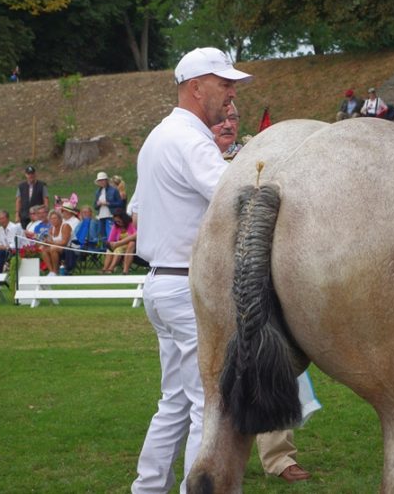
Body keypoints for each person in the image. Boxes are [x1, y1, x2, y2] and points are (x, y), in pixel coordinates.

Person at [131, 46, 309, 493]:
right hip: (186, 288)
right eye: (223, 84)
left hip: (162, 284)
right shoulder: (189, 140)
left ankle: (147, 488)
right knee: (205, 408)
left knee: (174, 402)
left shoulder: (161, 135)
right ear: (195, 88)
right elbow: (233, 195)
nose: (231, 94)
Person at [210, 103, 313, 484]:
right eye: (221, 121)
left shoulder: (250, 161)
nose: (228, 126)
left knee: (270, 351)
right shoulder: (205, 160)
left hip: (255, 273)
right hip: (211, 273)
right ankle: (215, 453)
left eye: (233, 120)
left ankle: (278, 455)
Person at [102, 209, 137, 275]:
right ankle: (104, 269)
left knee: (118, 249)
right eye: (116, 221)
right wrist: (110, 244)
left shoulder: (131, 224)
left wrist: (118, 243)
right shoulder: (115, 226)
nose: (117, 223)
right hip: (118, 244)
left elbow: (134, 237)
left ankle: (111, 268)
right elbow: (111, 239)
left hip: (129, 245)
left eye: (119, 221)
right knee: (109, 250)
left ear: (124, 219)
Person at [39, 209, 73, 276]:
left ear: (60, 218)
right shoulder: (52, 229)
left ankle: (55, 271)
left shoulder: (65, 226)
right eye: (51, 219)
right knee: (42, 249)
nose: (53, 220)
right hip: (58, 247)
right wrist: (45, 242)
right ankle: (51, 271)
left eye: (55, 218)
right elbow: (50, 241)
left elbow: (64, 242)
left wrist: (50, 243)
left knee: (53, 248)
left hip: (69, 248)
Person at [15, 165, 49, 229]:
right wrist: (17, 214)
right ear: (26, 175)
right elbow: (18, 200)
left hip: (38, 215)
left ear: (35, 174)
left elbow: (46, 199)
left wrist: (46, 213)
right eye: (29, 174)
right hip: (24, 215)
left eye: (32, 174)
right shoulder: (21, 186)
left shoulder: (42, 185)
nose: (31, 176)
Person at [94, 171, 123, 239]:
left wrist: (108, 203)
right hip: (101, 216)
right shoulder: (97, 192)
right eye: (99, 181)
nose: (101, 182)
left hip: (110, 215)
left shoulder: (114, 190)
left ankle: (111, 247)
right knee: (101, 235)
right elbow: (95, 206)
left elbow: (120, 203)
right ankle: (102, 248)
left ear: (106, 180)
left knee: (110, 233)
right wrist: (98, 204)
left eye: (103, 180)